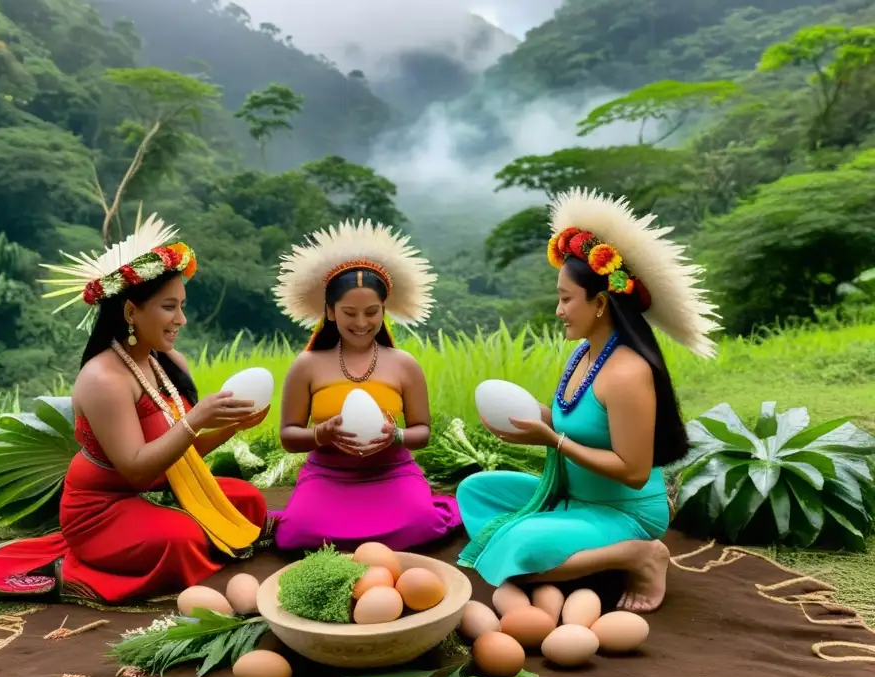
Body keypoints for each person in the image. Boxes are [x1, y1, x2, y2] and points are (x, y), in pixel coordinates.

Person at [0, 213, 269, 605]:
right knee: (181, 539)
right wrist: (195, 419)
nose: (181, 320)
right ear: (130, 312)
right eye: (169, 307)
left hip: (161, 489)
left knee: (248, 502)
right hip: (103, 509)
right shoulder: (104, 379)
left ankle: (181, 536)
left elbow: (178, 458)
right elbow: (138, 471)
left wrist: (230, 427)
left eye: (183, 306)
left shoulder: (167, 362)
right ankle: (68, 571)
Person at [456, 188, 721, 613]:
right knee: (476, 492)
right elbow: (575, 422)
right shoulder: (584, 353)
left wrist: (551, 439)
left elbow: (633, 473)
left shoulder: (627, 373)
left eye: (565, 299)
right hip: (576, 499)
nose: (558, 310)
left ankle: (639, 555)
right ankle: (579, 552)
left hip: (624, 509)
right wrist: (526, 421)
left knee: (517, 549)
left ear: (599, 302)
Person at [267, 219, 461, 551]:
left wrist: (395, 436)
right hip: (328, 475)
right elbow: (289, 437)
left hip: (392, 472)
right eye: (349, 313)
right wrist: (321, 434)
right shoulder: (307, 365)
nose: (361, 323)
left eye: (372, 312)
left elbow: (422, 432)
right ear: (329, 312)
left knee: (422, 524)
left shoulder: (403, 364)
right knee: (297, 535)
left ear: (384, 310)